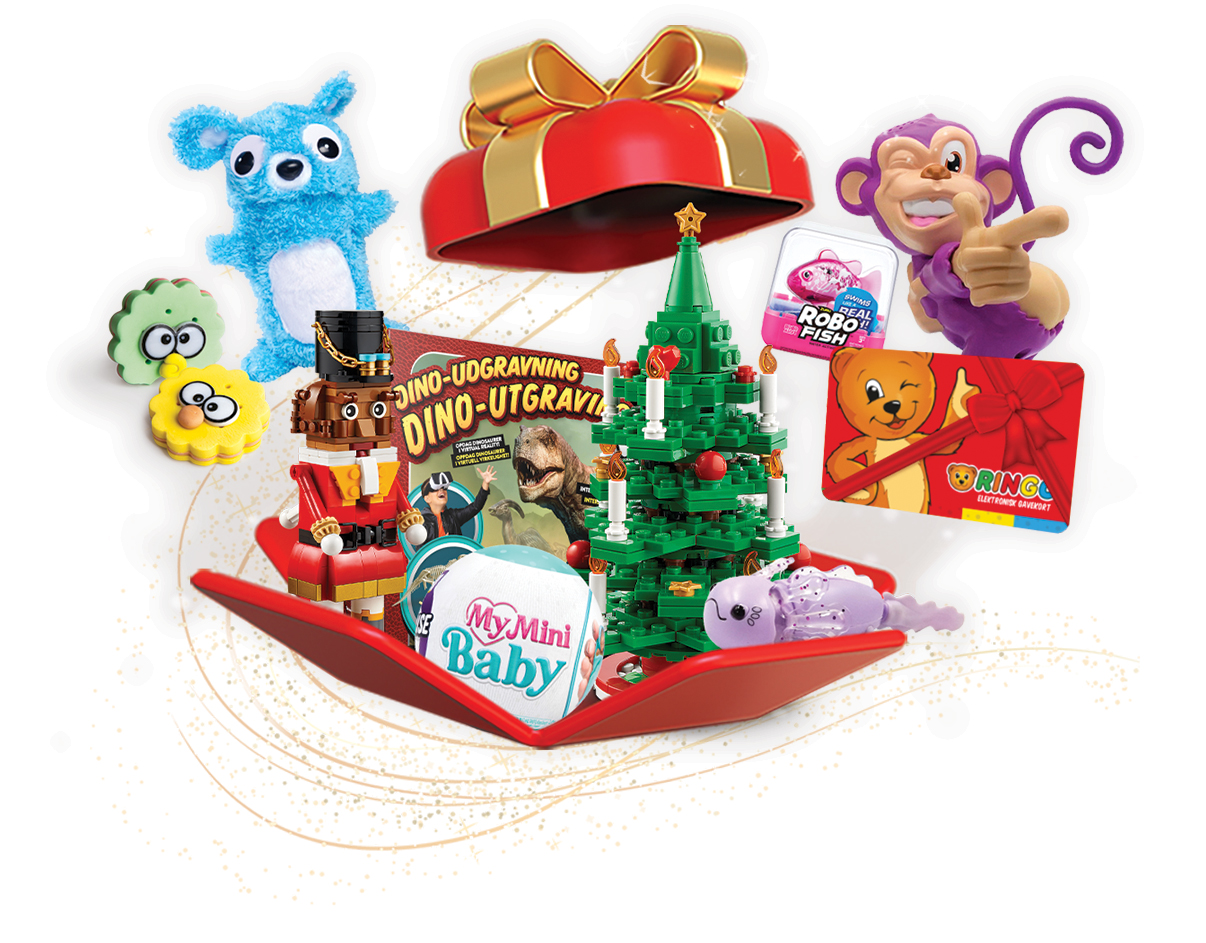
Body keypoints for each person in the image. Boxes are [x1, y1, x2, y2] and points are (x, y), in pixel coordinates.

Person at [417, 466, 497, 544]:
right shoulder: (420, 521)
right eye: (436, 489)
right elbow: (420, 547)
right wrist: (441, 544)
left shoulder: (453, 516)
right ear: (427, 499)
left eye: (444, 488)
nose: (441, 490)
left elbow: (475, 507)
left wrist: (485, 484)